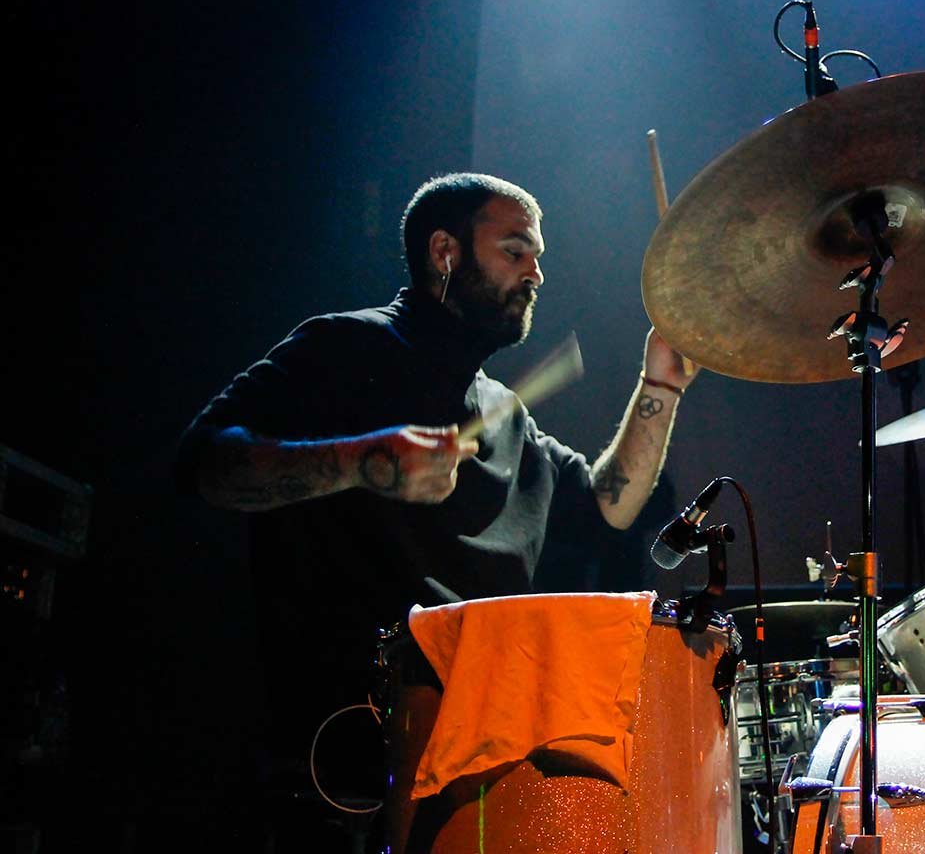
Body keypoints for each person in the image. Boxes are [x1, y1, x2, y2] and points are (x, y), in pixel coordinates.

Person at [175, 172, 695, 824]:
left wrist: (660, 386)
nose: (535, 274)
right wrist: (364, 462)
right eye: (515, 251)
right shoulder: (344, 346)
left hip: (484, 752)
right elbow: (204, 463)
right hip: (349, 763)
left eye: (537, 257)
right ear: (445, 251)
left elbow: (605, 508)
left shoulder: (507, 414)